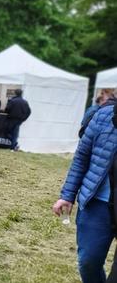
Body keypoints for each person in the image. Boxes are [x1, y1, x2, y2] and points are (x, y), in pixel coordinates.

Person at [52, 99, 117, 283]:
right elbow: (82, 157)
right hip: (97, 203)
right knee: (88, 262)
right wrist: (67, 195)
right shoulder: (103, 115)